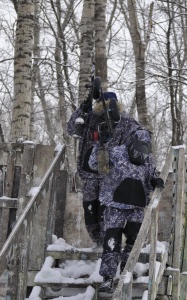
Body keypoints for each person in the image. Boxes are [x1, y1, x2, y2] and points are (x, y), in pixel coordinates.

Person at [67, 91, 149, 249]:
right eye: (103, 103)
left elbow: (140, 137)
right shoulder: (89, 120)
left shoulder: (125, 122)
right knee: (90, 211)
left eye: (112, 103)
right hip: (90, 175)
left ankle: (107, 246)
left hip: (113, 176)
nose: (107, 107)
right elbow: (72, 129)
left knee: (108, 211)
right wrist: (83, 107)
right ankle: (99, 242)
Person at [88, 129, 164, 295]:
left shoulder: (149, 160)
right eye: (137, 151)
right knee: (112, 241)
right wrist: (99, 147)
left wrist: (155, 181)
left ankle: (126, 271)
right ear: (132, 144)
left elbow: (149, 178)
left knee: (134, 240)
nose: (140, 155)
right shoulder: (116, 153)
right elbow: (96, 165)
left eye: (143, 153)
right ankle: (108, 278)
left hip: (136, 206)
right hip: (114, 204)